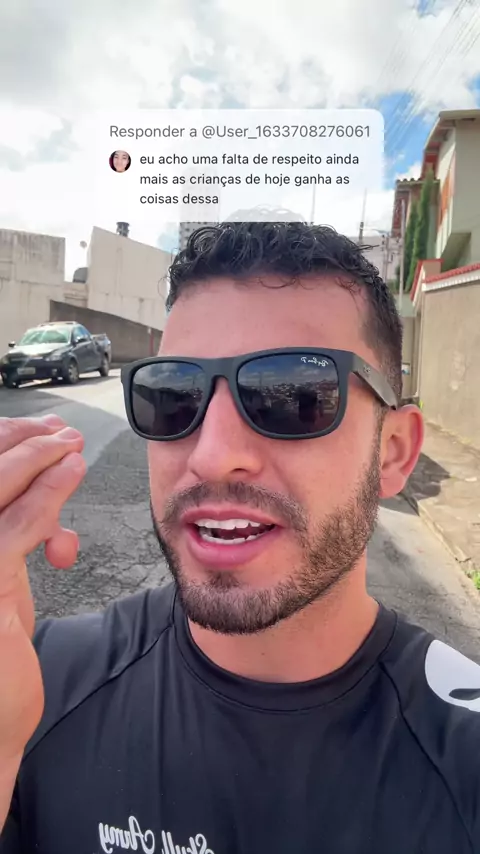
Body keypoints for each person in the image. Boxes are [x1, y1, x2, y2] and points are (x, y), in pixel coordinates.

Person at [0, 221, 479, 854]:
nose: (212, 456)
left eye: (294, 395)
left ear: (392, 452)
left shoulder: (462, 760)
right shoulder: (32, 689)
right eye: (174, 396)